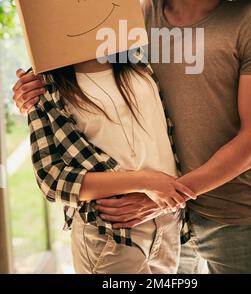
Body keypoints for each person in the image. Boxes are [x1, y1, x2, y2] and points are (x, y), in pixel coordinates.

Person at [13, 0, 251, 274]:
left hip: (226, 208)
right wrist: (31, 91)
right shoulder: (142, 16)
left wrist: (161, 196)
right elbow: (89, 74)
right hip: (158, 221)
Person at [22, 52, 196, 274]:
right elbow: (51, 178)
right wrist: (144, 181)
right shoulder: (42, 83)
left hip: (165, 220)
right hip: (112, 233)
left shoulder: (136, 56)